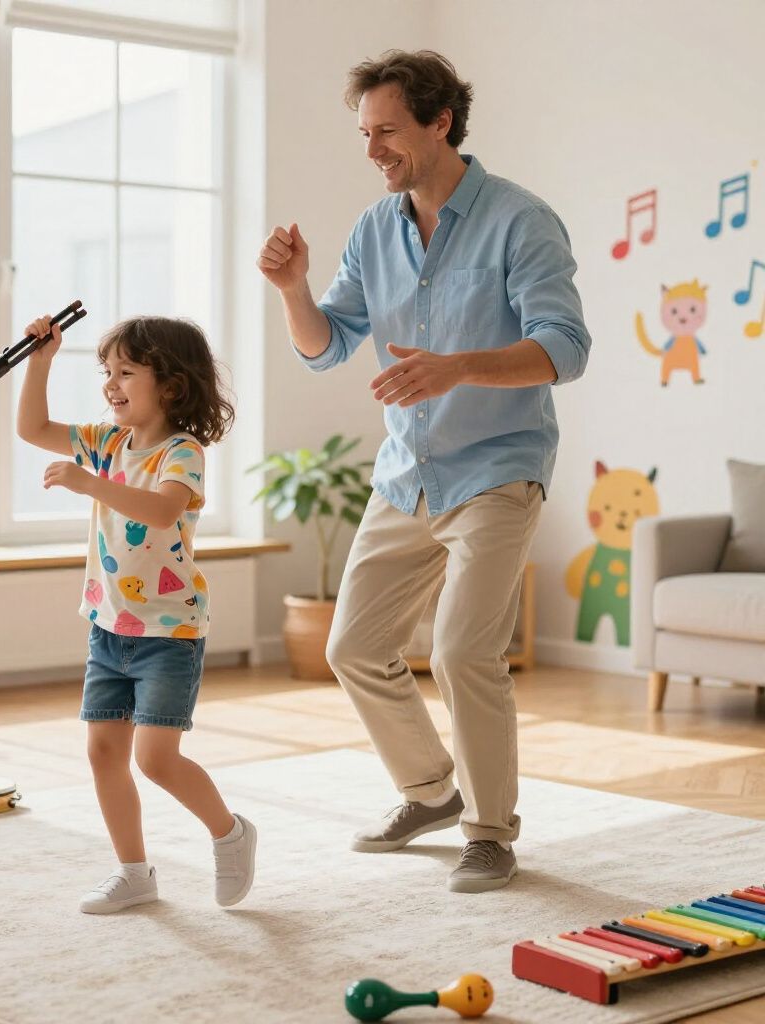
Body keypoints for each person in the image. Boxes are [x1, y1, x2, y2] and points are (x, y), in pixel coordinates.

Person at [256, 50, 590, 892]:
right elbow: (328, 345)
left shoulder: (522, 219)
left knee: (464, 650)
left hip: (498, 469)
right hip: (408, 473)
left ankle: (489, 830)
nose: (372, 150)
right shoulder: (376, 228)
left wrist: (459, 367)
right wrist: (293, 288)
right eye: (364, 134)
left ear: (441, 122)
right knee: (354, 646)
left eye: (388, 131)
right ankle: (430, 792)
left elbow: (565, 347)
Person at [16, 312, 256, 913]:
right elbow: (32, 427)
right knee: (103, 753)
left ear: (171, 386)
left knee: (155, 759)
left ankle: (230, 833)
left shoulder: (183, 452)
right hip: (109, 626)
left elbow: (160, 512)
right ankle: (134, 872)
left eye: (126, 372)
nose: (111, 383)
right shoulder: (107, 442)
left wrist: (88, 484)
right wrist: (40, 360)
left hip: (169, 633)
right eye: (107, 371)